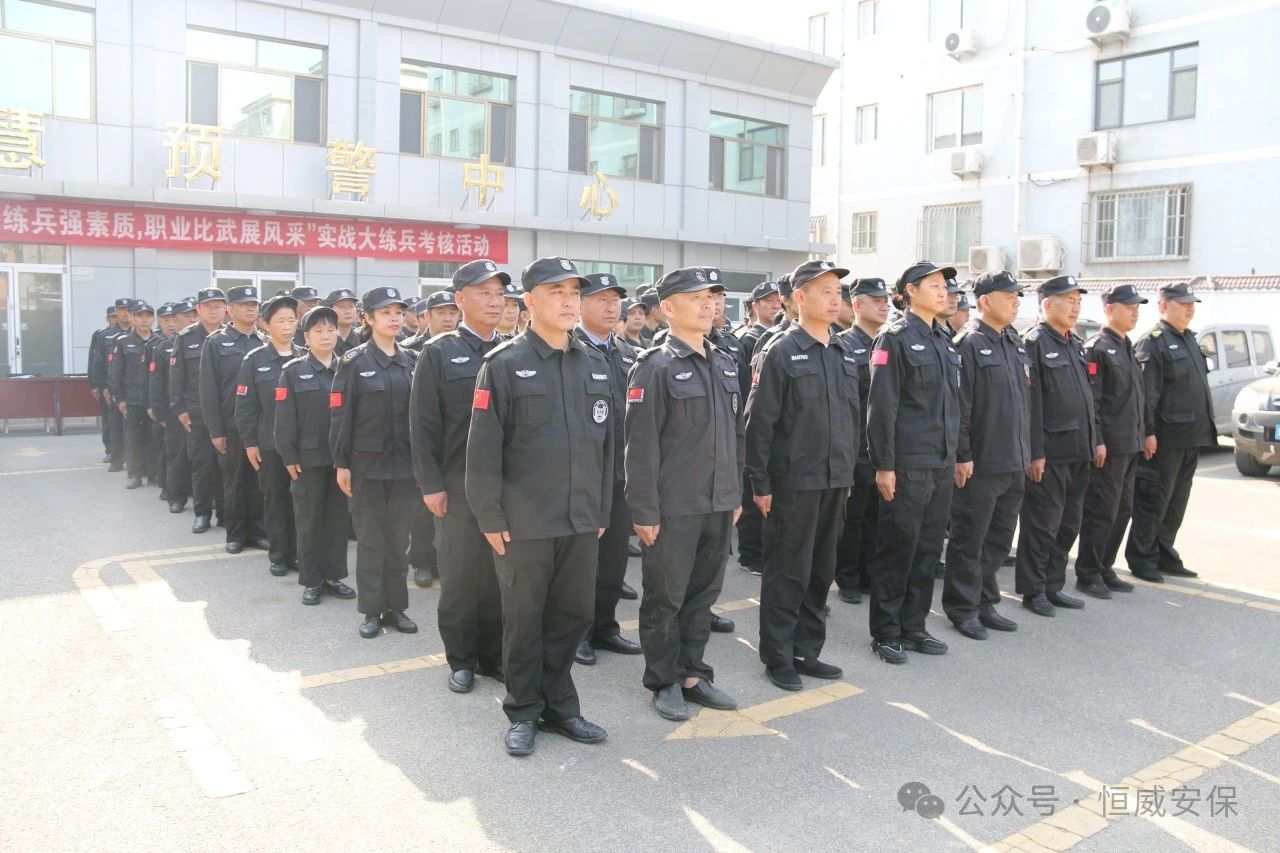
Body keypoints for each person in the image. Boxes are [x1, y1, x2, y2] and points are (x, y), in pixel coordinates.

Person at [465, 256, 613, 758]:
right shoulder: (504, 365)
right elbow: (482, 450)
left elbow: (606, 447)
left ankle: (560, 706)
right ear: (529, 301)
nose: (569, 301)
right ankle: (524, 710)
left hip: (580, 518)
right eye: (556, 292)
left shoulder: (594, 363)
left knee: (572, 615)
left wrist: (601, 511)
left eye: (574, 292)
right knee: (524, 620)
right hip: (523, 523)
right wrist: (489, 516)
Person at [625, 266, 744, 719]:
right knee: (665, 597)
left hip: (718, 501)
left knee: (702, 596)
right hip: (674, 506)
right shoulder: (654, 366)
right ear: (668, 308)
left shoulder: (724, 361)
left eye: (712, 297)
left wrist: (735, 493)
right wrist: (644, 511)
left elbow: (736, 436)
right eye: (696, 298)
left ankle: (694, 673)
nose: (708, 304)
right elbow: (640, 447)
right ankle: (663, 679)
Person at [746, 259, 860, 690]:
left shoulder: (842, 350)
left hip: (835, 480)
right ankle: (778, 656)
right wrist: (760, 483)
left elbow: (852, 419)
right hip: (794, 482)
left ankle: (807, 649)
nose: (834, 299)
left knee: (821, 570)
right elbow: (759, 423)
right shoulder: (780, 351)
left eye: (838, 292)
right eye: (825, 291)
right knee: (788, 571)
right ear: (799, 297)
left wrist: (848, 473)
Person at [410, 260, 508, 692]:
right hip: (456, 486)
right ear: (460, 299)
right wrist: (430, 484)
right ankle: (462, 658)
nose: (494, 301)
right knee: (461, 576)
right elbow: (421, 424)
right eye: (483, 293)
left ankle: (493, 655)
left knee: (501, 577)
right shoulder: (438, 352)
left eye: (499, 293)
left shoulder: (513, 351)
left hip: (504, 490)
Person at [865, 261, 961, 664]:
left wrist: (960, 455)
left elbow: (955, 405)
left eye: (944, 286)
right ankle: (886, 632)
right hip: (907, 462)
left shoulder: (943, 339)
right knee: (898, 548)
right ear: (910, 292)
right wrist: (884, 465)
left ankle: (914, 626)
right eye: (933, 285)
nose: (943, 292)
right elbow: (881, 407)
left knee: (927, 550)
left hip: (941, 460)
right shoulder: (895, 338)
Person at [941, 271, 1030, 640]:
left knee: (998, 539)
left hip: (1013, 458)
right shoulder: (969, 344)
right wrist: (962, 455)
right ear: (985, 301)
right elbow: (959, 407)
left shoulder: (1013, 342)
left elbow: (1025, 403)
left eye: (1017, 296)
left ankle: (985, 601)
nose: (1015, 302)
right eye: (1008, 296)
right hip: (981, 462)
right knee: (970, 539)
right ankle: (962, 608)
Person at [330, 286, 419, 638]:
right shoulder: (353, 362)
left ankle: (396, 607)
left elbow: (419, 418)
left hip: (403, 467)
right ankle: (371, 609)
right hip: (366, 467)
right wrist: (341, 463)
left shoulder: (411, 361)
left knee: (398, 539)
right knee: (370, 539)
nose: (394, 318)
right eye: (386, 312)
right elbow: (340, 416)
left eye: (398, 312)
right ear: (368, 318)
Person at [1016, 275, 1101, 617]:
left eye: (1078, 302)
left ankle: (1053, 585)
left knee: (1068, 524)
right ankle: (1033, 589)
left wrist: (1096, 440)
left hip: (1079, 449)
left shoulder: (1073, 343)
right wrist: (1035, 451)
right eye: (1069, 301)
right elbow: (1031, 403)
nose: (1075, 307)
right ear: (1048, 304)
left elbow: (1087, 398)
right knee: (1042, 525)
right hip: (1050, 453)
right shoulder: (1034, 343)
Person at [572, 272, 644, 667]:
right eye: (600, 299)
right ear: (580, 304)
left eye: (615, 299)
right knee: (583, 561)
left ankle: (605, 626)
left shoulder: (628, 354)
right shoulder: (570, 351)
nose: (610, 306)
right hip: (584, 476)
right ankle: (578, 633)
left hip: (621, 474)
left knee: (614, 559)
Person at [1124, 282, 1216, 583]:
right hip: (1164, 439)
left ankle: (1164, 552)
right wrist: (1148, 432)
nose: (1190, 309)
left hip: (1191, 436)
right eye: (1183, 304)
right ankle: (1142, 557)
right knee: (1153, 501)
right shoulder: (1153, 343)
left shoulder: (1189, 339)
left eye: (1192, 304)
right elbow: (1146, 394)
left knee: (1176, 503)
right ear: (1164, 306)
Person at [275, 305, 356, 606]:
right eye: (318, 331)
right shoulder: (293, 371)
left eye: (330, 330)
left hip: (341, 460)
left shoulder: (349, 368)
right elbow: (284, 418)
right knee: (308, 521)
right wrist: (288, 455)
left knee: (337, 520)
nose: (326, 335)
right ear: (306, 337)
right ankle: (312, 580)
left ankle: (334, 576)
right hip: (307, 460)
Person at [1074, 286, 1147, 597]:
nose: (1134, 312)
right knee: (1101, 510)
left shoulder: (1127, 346)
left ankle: (1105, 566)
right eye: (1129, 307)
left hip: (1130, 443)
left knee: (1123, 509)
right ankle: (1088, 573)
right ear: (1109, 309)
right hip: (1110, 446)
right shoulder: (1098, 348)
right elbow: (1093, 400)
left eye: (1137, 308)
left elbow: (1137, 398)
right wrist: (1098, 440)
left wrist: (1144, 434)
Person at [235, 295, 305, 576]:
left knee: (302, 502)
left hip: (303, 445)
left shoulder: (306, 356)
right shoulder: (255, 360)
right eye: (280, 321)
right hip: (270, 444)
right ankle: (279, 555)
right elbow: (245, 406)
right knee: (276, 500)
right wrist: (250, 442)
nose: (287, 326)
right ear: (265, 325)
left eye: (291, 320)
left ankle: (299, 553)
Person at [834, 278, 891, 605]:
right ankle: (848, 577)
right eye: (876, 300)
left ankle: (870, 572)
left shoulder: (890, 342)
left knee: (878, 515)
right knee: (852, 518)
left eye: (886, 300)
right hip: (854, 447)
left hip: (881, 448)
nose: (884, 306)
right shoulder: (843, 345)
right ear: (857, 304)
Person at [200, 285, 267, 554]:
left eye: (254, 305)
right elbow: (208, 389)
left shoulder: (265, 341)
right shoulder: (216, 342)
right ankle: (236, 533)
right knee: (235, 481)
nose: (251, 309)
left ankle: (259, 531)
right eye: (244, 305)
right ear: (230, 309)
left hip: (261, 425)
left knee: (259, 481)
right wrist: (215, 431)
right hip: (231, 425)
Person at [733, 280, 782, 578]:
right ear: (756, 305)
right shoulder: (750, 339)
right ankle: (750, 554)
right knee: (753, 491)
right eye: (769, 300)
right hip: (749, 419)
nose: (775, 304)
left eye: (778, 300)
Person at [170, 288, 227, 533]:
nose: (213, 310)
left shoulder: (231, 335)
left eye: (218, 306)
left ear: (225, 309)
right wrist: (179, 408)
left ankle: (225, 513)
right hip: (198, 414)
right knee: (202, 466)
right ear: (198, 310)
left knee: (227, 468)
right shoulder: (186, 337)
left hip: (226, 414)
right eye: (208, 306)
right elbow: (176, 375)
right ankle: (202, 514)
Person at [151, 298, 196, 514]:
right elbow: (156, 381)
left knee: (201, 457)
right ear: (175, 321)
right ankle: (176, 496)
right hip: (175, 411)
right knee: (177, 455)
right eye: (186, 316)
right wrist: (159, 411)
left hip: (199, 409)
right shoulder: (163, 347)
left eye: (194, 316)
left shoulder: (207, 342)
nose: (191, 320)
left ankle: (203, 494)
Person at [109, 300, 158, 490]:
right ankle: (134, 474)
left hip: (154, 399)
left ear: (153, 319)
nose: (144, 320)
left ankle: (153, 473)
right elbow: (116, 373)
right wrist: (120, 398)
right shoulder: (123, 342)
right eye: (140, 316)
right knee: (133, 437)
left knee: (154, 437)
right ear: (133, 318)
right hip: (133, 398)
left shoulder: (159, 342)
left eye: (148, 316)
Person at [101, 298, 135, 472]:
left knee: (133, 428)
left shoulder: (139, 334)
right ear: (116, 312)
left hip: (134, 388)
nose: (125, 314)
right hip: (113, 386)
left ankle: (134, 463)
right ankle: (116, 459)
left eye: (129, 310)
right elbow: (99, 362)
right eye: (121, 310)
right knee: (115, 425)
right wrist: (103, 386)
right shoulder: (106, 336)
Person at [88, 306, 119, 463]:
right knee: (108, 420)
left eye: (116, 316)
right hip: (106, 384)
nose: (115, 319)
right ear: (108, 319)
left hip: (121, 384)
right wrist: (95, 384)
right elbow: (94, 361)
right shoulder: (101, 335)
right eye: (112, 317)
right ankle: (110, 450)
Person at [326, 288, 361, 355]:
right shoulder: (324, 340)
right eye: (341, 307)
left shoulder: (363, 338)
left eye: (351, 306)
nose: (347, 311)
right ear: (330, 311)